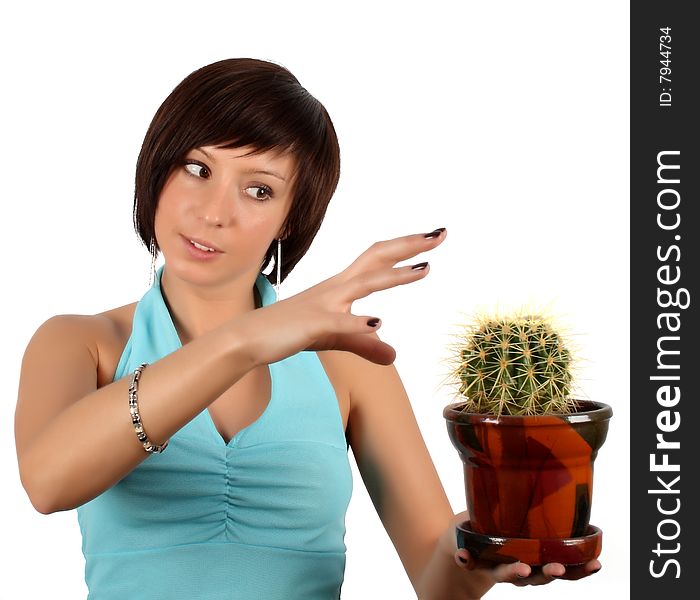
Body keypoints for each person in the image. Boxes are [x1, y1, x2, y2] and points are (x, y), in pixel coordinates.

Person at [14, 58, 600, 599]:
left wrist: (496, 550)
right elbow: (48, 484)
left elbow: (435, 575)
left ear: (290, 217)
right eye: (197, 168)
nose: (213, 211)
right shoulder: (78, 342)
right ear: (158, 166)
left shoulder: (344, 363)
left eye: (258, 189)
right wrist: (247, 341)